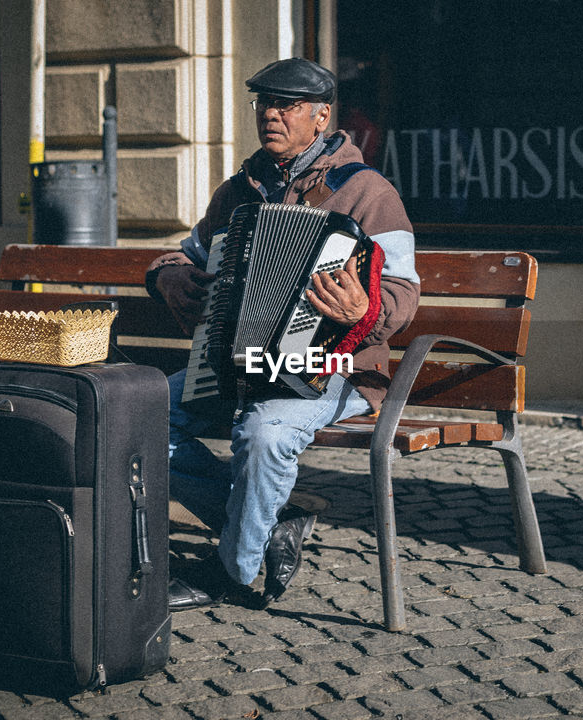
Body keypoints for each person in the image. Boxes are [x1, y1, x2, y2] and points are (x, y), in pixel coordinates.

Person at [145, 58, 420, 611]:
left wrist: (364, 305)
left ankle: (230, 573)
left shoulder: (368, 192)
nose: (270, 115)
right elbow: (186, 253)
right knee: (138, 417)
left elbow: (403, 292)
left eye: (286, 105)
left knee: (266, 433)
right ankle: (270, 521)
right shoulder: (237, 193)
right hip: (236, 361)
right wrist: (169, 275)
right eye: (263, 103)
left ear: (321, 118)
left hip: (337, 367)